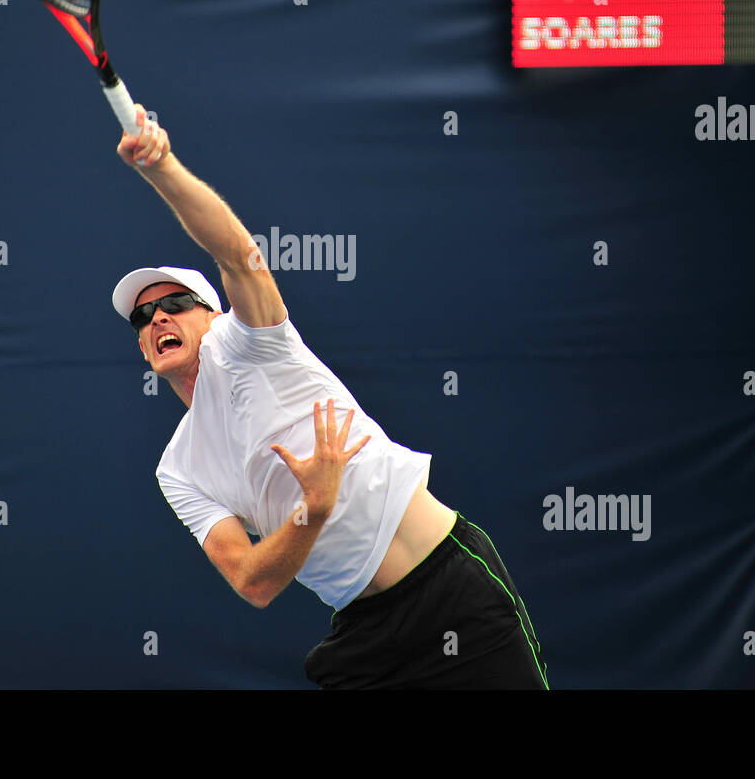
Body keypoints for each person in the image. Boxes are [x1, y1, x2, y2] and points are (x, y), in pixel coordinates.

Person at [112, 105, 548, 689]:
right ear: (143, 347)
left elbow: (238, 254)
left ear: (215, 318)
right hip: (367, 636)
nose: (158, 316)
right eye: (143, 316)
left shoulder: (250, 345)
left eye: (175, 304)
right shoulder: (177, 469)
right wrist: (311, 509)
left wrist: (162, 167)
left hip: (452, 593)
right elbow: (252, 580)